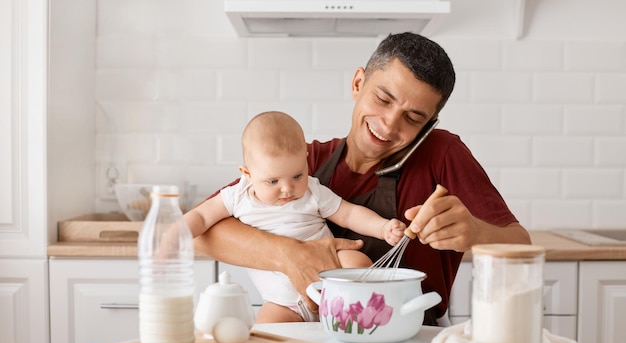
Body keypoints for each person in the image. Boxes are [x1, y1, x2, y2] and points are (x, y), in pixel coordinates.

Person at [193, 32, 531, 325]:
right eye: (383, 99)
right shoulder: (304, 163)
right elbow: (200, 232)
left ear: (429, 124)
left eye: (413, 118)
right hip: (306, 331)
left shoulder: (442, 154)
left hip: (407, 337)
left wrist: (476, 233)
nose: (388, 124)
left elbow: (521, 245)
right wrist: (289, 254)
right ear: (358, 83)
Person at [184, 111, 407, 323]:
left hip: (333, 287)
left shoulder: (312, 190)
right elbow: (202, 217)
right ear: (247, 173)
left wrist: (382, 228)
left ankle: (365, 317)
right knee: (267, 331)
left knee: (357, 262)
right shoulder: (237, 197)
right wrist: (174, 237)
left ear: (306, 160)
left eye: (297, 175)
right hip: (283, 305)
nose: (287, 189)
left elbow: (348, 214)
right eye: (273, 181)